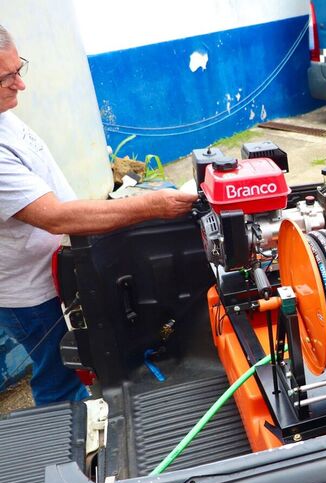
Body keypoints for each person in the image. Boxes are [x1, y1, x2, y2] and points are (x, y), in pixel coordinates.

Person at [0, 25, 197, 406]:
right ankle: (65, 457)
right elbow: (56, 218)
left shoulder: (5, 112)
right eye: (6, 77)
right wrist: (150, 207)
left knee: (79, 364)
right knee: (58, 380)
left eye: (18, 68)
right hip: (30, 293)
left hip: (58, 270)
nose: (20, 85)